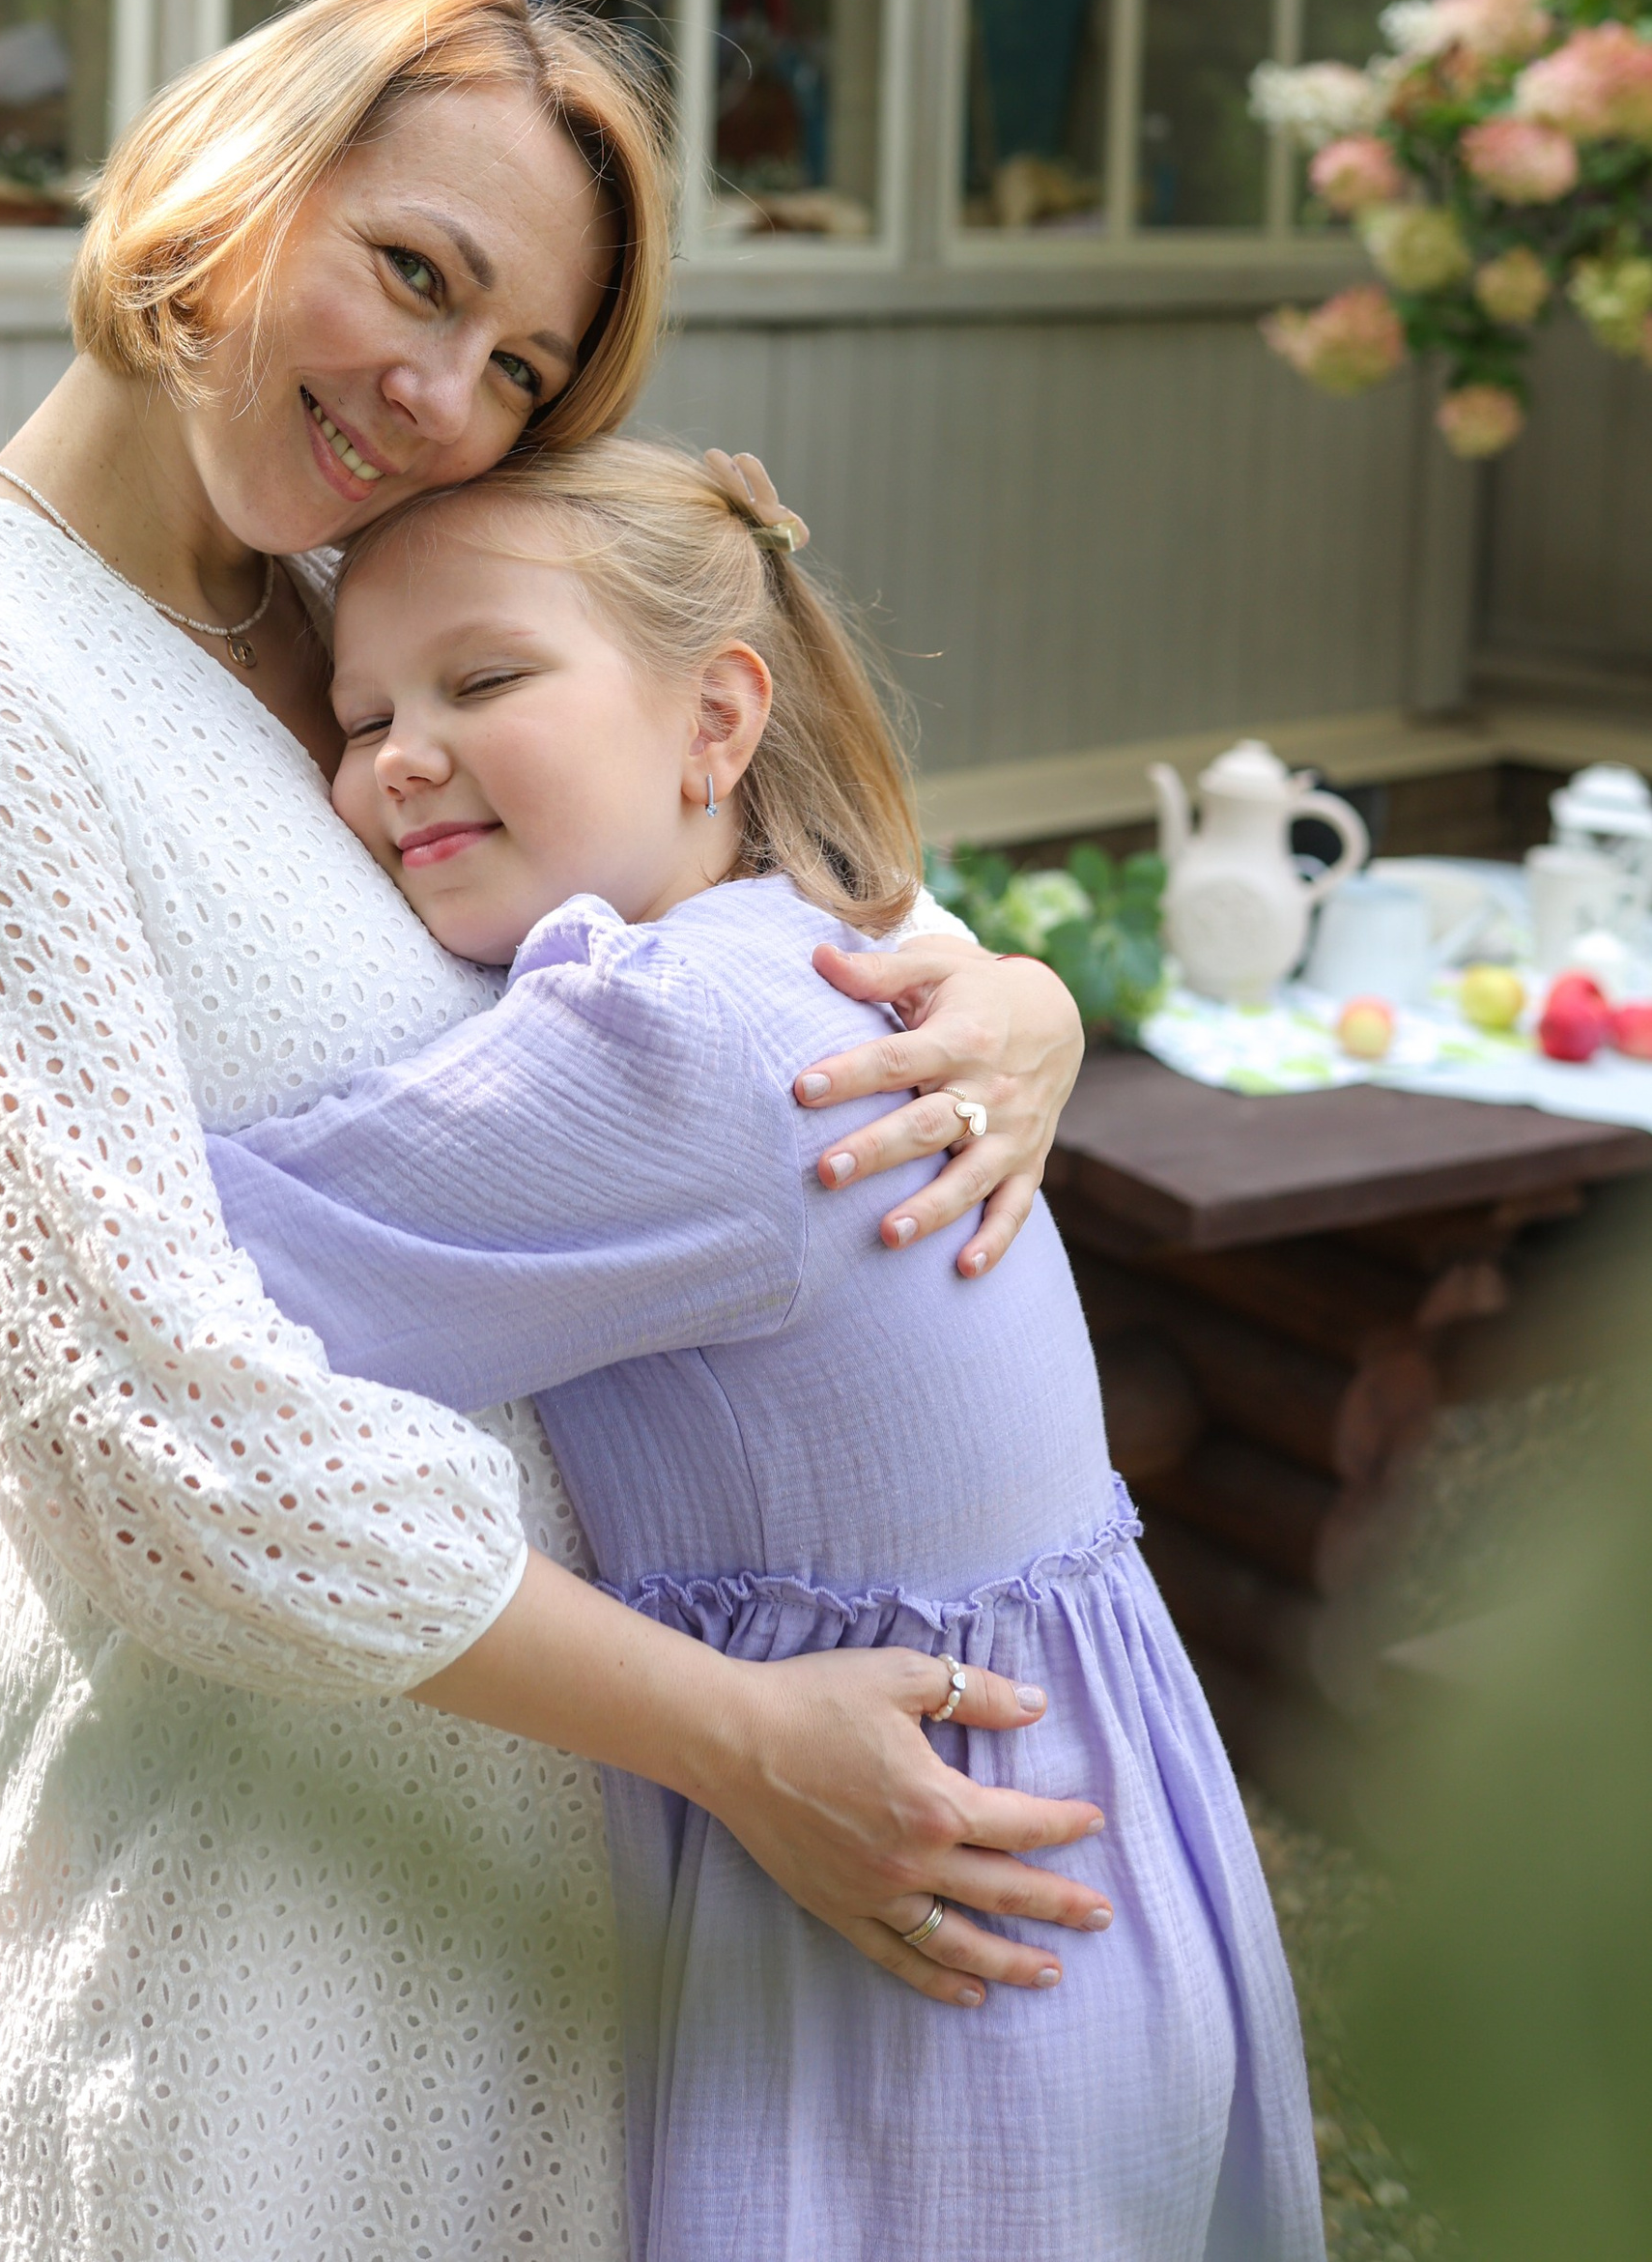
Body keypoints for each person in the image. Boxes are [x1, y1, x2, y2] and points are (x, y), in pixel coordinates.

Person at [0, 0, 1101, 2262]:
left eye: (514, 367)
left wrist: (1007, 990)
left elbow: (708, 908)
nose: (434, 395)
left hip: (558, 1842)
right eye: (415, 275)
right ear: (237, 166)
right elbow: (139, 1435)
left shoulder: (346, 611)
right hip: (239, 1883)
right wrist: (727, 1737)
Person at [200, 437, 1322, 2262]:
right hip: (1081, 1845)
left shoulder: (680, 1051)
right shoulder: (816, 949)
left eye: (483, 680)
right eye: (356, 715)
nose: (396, 755)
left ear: (716, 716)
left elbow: (148, 1282)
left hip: (919, 1931)